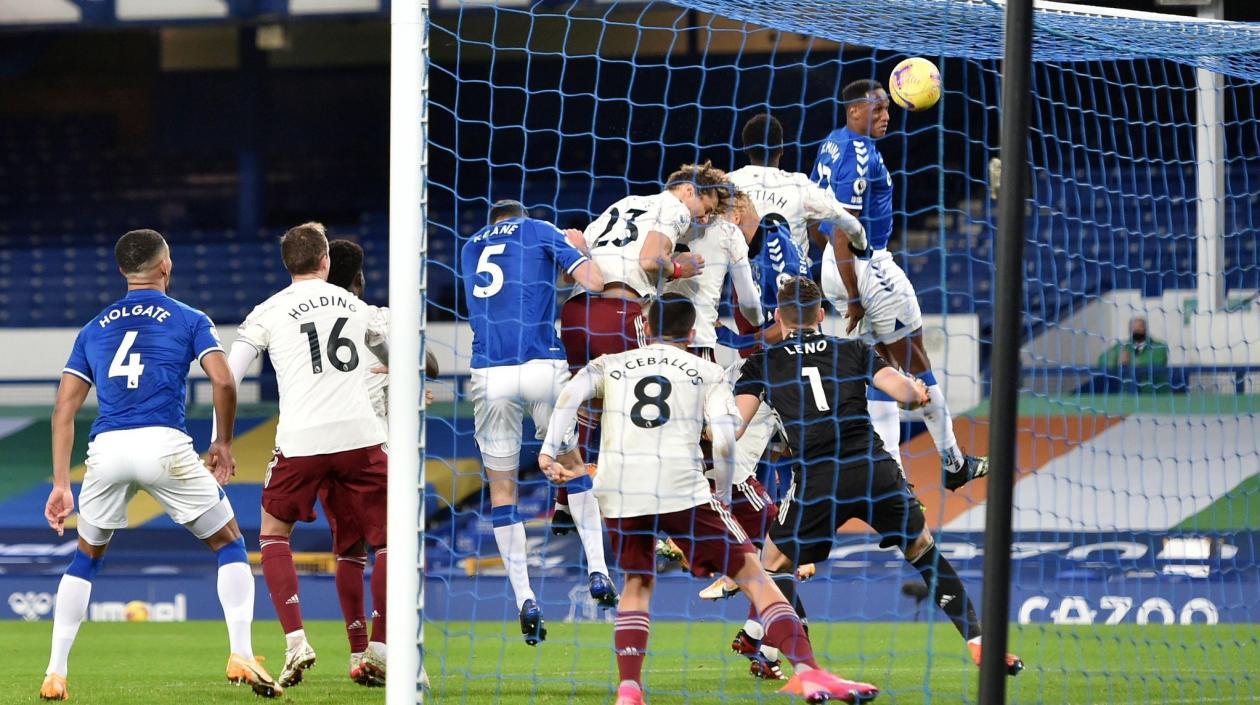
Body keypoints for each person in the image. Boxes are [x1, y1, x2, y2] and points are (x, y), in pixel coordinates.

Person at [539, 293, 879, 705]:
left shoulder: (611, 364)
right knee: (755, 576)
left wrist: (547, 451)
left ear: (645, 329)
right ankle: (809, 672)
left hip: (622, 486)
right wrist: (720, 491)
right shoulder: (707, 370)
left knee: (638, 582)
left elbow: (569, 396)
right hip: (683, 486)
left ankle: (629, 689)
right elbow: (722, 440)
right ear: (693, 332)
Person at [734, 277, 1024, 679]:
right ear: (821, 314)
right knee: (924, 551)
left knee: (774, 563)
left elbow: (732, 427)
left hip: (819, 479)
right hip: (874, 470)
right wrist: (919, 391)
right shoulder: (853, 349)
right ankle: (979, 643)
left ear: (780, 319)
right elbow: (904, 393)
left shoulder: (762, 363)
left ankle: (801, 666)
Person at [39, 229, 278, 700]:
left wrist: (63, 484)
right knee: (229, 542)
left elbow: (63, 410)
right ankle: (241, 652)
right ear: (165, 266)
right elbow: (224, 382)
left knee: (85, 557)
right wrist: (224, 444)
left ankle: (55, 671)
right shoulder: (189, 318)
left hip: (105, 451)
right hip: (163, 444)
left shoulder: (93, 327)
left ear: (122, 271)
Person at [225, 222, 391, 688]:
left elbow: (230, 376)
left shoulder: (268, 310)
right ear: (325, 261)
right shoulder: (357, 306)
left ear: (288, 264)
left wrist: (222, 438)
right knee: (389, 543)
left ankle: (296, 641)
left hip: (300, 441)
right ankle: (378, 647)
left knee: (274, 534)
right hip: (361, 438)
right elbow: (402, 358)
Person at [812, 80, 986, 487]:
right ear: (854, 110)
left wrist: (832, 274)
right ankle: (954, 464)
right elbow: (841, 229)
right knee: (917, 365)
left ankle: (892, 480)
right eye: (877, 109)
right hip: (866, 267)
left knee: (881, 368)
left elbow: (814, 218)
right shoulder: (857, 155)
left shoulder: (831, 143)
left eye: (888, 109)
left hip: (836, 266)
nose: (886, 116)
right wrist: (853, 294)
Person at [461, 200, 617, 645]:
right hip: (540, 364)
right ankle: (598, 571)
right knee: (573, 464)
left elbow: (513, 285)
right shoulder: (538, 229)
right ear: (522, 215)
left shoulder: (470, 246)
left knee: (502, 490)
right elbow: (596, 281)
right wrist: (579, 250)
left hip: (488, 372)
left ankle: (524, 598)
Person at [550, 162, 720, 533]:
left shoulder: (619, 205)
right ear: (689, 190)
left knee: (586, 409)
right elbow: (649, 260)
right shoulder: (672, 208)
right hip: (621, 312)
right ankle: (649, 515)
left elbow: (568, 272)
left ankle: (565, 502)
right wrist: (679, 268)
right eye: (706, 207)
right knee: (641, 409)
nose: (704, 218)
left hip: (577, 313)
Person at [320, 238, 438, 685]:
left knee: (348, 553)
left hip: (322, 448)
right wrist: (406, 367)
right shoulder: (379, 317)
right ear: (360, 280)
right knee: (393, 548)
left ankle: (358, 654)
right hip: (376, 449)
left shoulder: (300, 318)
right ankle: (385, 647)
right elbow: (429, 362)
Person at [728, 113, 869, 267]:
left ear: (745, 148)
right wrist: (861, 248)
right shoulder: (800, 186)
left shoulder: (728, 184)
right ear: (781, 147)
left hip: (742, 284)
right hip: (794, 287)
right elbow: (849, 222)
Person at [664, 190, 765, 361]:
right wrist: (759, 323)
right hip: (696, 339)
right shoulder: (728, 232)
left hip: (655, 336)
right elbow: (749, 304)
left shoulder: (664, 221)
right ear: (735, 216)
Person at [1097, 316, 1170, 393]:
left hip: (1155, 393)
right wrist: (1116, 360)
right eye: (1133, 328)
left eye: (1140, 327)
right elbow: (1102, 360)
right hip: (1130, 393)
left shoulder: (1158, 346)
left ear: (1145, 329)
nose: (1137, 330)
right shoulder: (1121, 346)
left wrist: (1130, 360)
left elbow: (1157, 362)